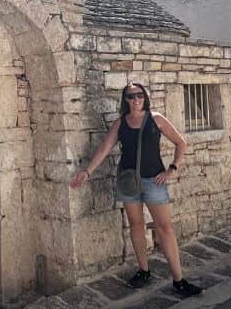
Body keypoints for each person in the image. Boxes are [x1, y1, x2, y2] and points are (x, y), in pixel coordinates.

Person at [70, 82, 203, 297]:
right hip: (129, 181)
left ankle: (179, 280)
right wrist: (87, 172)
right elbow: (104, 149)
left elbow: (181, 143)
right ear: (125, 100)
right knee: (136, 225)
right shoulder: (120, 124)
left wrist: (172, 168)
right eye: (131, 96)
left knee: (165, 229)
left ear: (145, 97)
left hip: (154, 181)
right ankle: (144, 270)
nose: (135, 99)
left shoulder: (156, 119)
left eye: (139, 95)